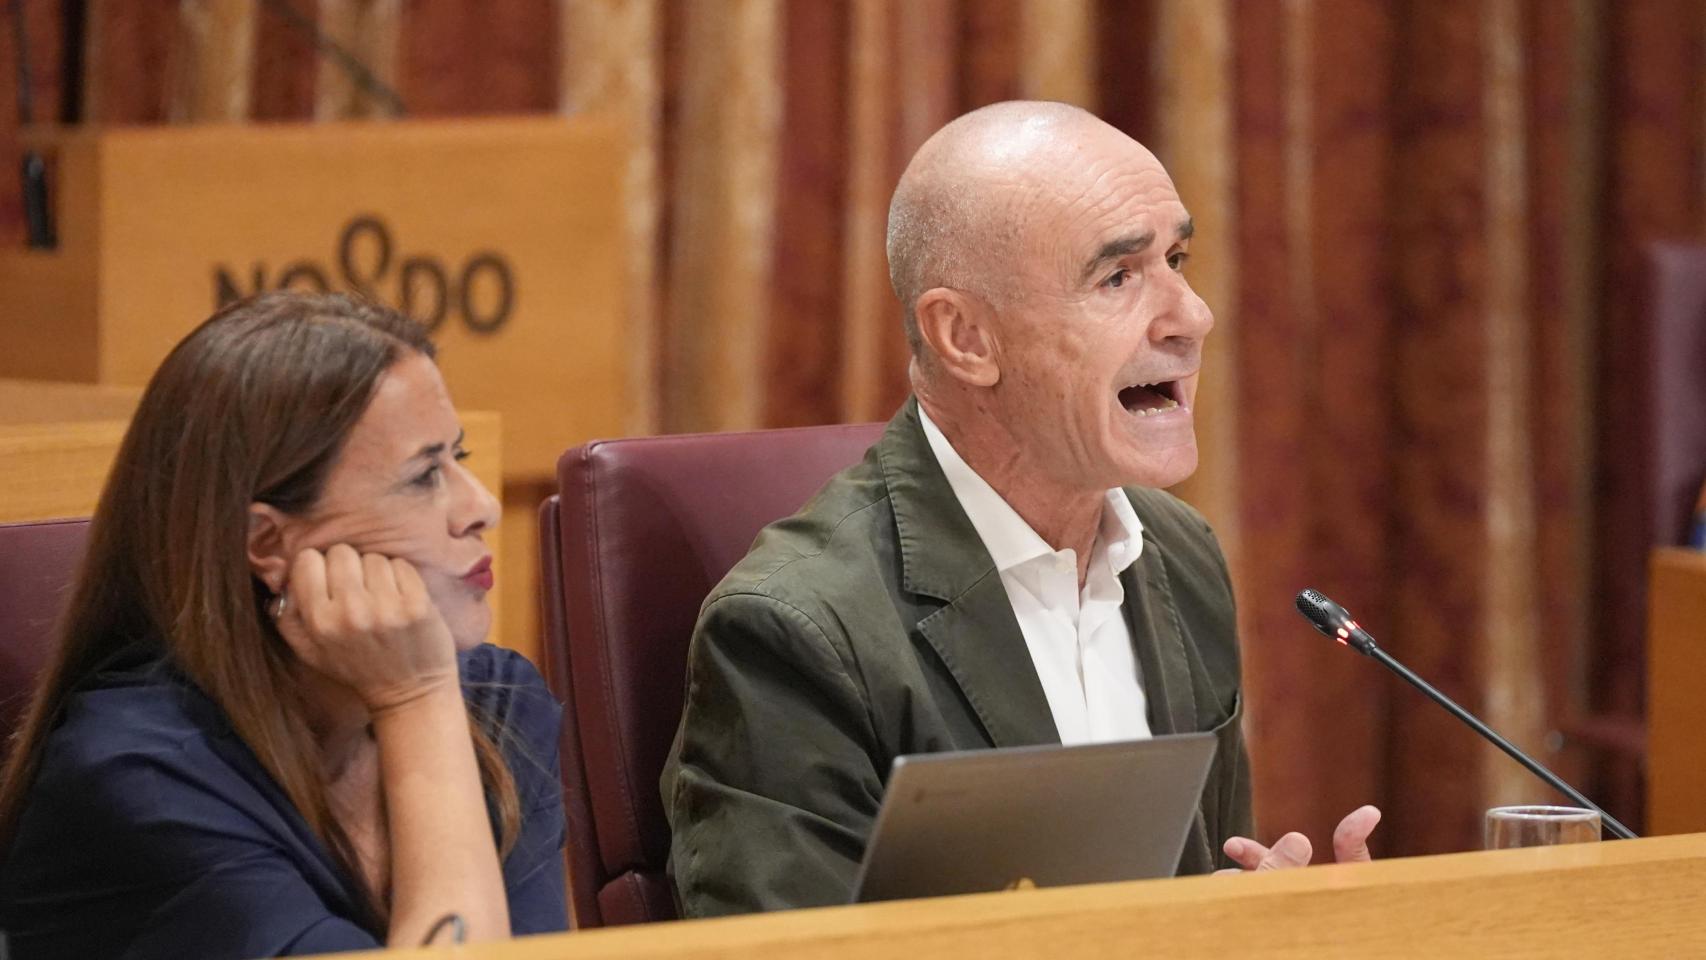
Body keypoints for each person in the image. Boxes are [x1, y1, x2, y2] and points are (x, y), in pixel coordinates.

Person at [661, 101, 1379, 917]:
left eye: (1177, 257)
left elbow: (1195, 897)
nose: (1193, 316)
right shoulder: (795, 631)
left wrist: (1274, 923)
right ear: (966, 338)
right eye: (1118, 276)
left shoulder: (1179, 558)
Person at [0, 293, 566, 957]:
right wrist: (417, 699)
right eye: (423, 476)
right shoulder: (138, 775)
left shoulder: (494, 701)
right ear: (267, 544)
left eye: (459, 458)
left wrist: (431, 696)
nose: (483, 509)